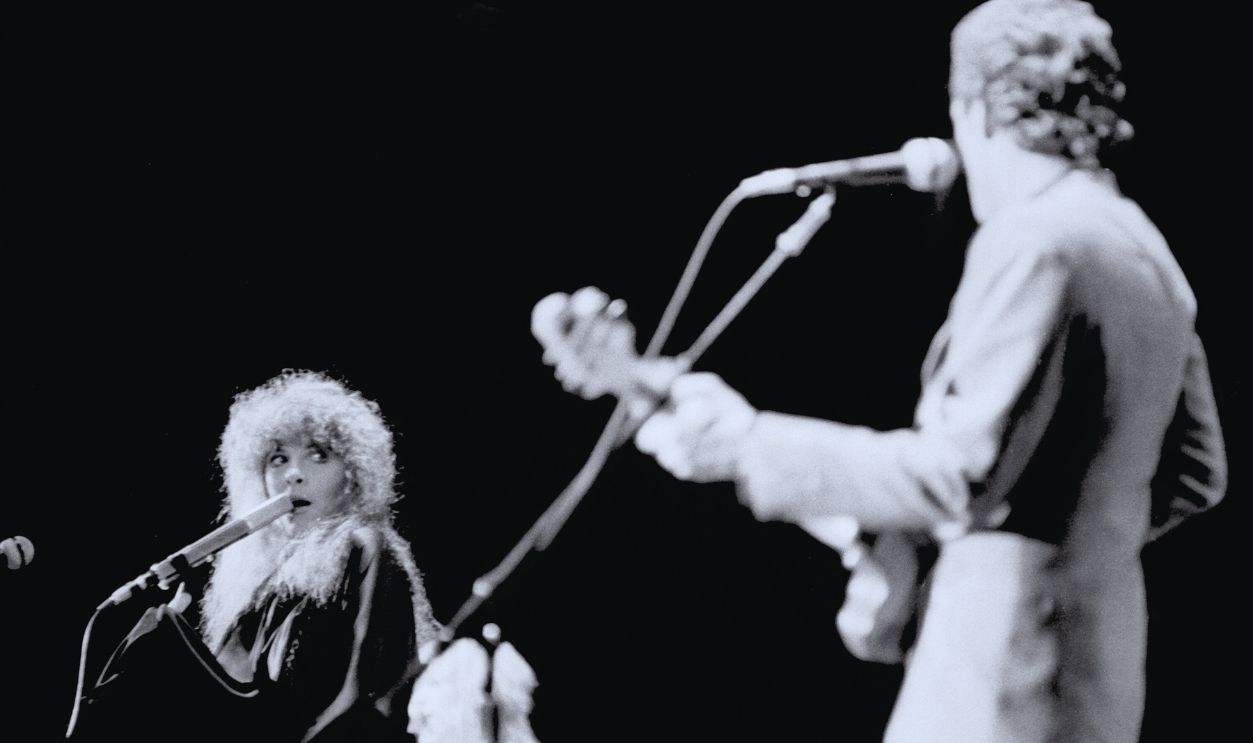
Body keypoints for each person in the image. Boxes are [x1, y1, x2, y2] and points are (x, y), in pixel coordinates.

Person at [531, 1, 1227, 741]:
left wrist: (748, 444)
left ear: (975, 111)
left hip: (997, 678)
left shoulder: (1030, 241)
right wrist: (1062, 553)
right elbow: (1194, 474)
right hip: (1101, 678)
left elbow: (955, 475)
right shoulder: (1149, 253)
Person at [70, 370, 440, 742]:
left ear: (352, 476)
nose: (293, 475)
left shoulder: (365, 546)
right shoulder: (263, 591)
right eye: (278, 458)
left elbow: (366, 698)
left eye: (318, 455)